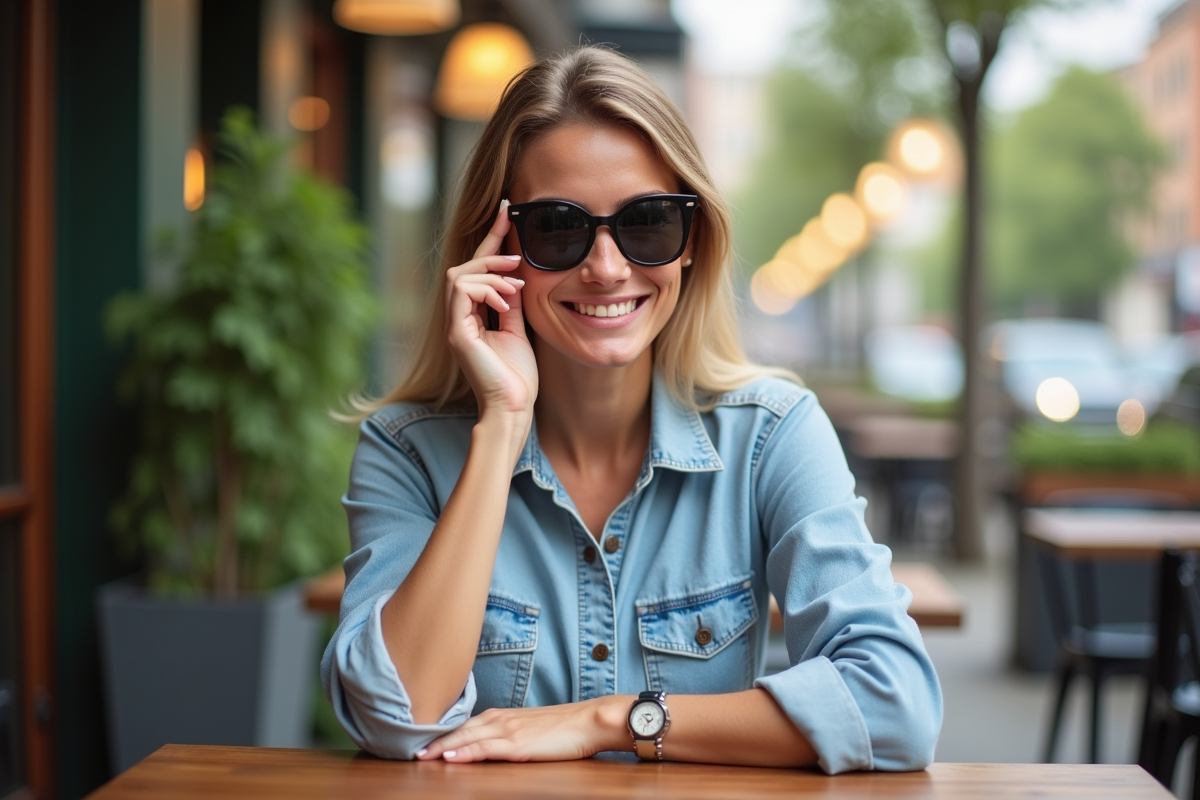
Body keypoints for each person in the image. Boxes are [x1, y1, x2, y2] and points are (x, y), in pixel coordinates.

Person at [321, 45, 941, 773]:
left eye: (647, 222)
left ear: (690, 244)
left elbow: (894, 705)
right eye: (558, 226)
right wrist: (502, 428)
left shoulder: (771, 435)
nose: (608, 267)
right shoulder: (406, 451)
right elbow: (396, 717)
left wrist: (612, 720)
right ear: (498, 251)